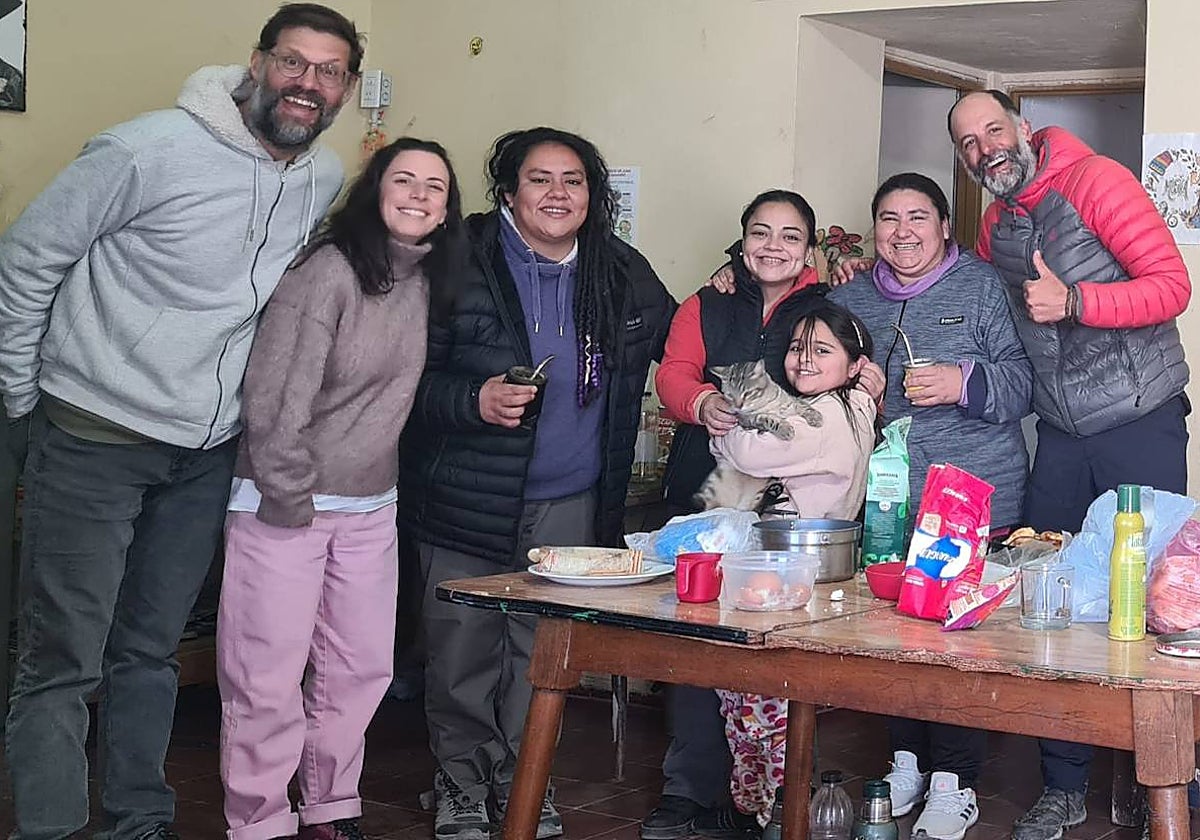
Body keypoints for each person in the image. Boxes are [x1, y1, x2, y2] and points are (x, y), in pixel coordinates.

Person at [0, 4, 361, 837]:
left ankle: (138, 820)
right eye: (293, 62)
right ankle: (49, 828)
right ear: (257, 62)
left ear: (344, 88)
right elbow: (24, 264)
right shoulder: (145, 147)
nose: (307, 82)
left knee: (149, 653)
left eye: (328, 70)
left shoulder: (320, 176)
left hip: (204, 454)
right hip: (93, 435)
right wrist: (25, 403)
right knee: (61, 661)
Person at [396, 127, 676, 840]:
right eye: (540, 179)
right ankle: (461, 788)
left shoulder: (620, 270)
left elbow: (689, 341)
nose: (557, 193)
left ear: (593, 194)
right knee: (460, 654)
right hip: (463, 494)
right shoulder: (454, 259)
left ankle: (526, 786)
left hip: (570, 503)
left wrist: (751, 282)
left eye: (573, 180)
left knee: (539, 661)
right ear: (509, 190)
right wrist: (473, 400)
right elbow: (398, 383)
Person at [217, 138, 464, 840]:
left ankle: (329, 804)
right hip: (283, 501)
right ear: (374, 192)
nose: (418, 195)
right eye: (404, 180)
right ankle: (258, 819)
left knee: (359, 668)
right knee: (265, 674)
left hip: (369, 507)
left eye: (434, 187)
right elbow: (272, 398)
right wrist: (290, 495)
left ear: (448, 211)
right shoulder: (327, 271)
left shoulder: (424, 280)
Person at [646, 190, 884, 840]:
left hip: (777, 525)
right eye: (760, 233)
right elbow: (674, 372)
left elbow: (857, 371)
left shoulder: (826, 306)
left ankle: (758, 802)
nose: (773, 246)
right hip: (709, 495)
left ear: (808, 248)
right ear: (741, 240)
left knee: (764, 670)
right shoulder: (708, 300)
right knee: (696, 657)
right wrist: (698, 404)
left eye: (789, 236)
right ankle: (687, 793)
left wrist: (871, 385)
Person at [829, 172, 1032, 840]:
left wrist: (962, 382)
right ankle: (909, 761)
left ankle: (955, 782)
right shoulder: (852, 296)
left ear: (945, 225)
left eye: (919, 217)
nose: (903, 232)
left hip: (973, 497)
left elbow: (1021, 383)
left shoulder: (979, 286)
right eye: (889, 218)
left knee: (954, 640)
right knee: (894, 636)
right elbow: (816, 380)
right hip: (889, 501)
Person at [708, 302, 876, 834]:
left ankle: (771, 809)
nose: (802, 360)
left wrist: (727, 437)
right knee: (774, 703)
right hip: (808, 582)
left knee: (761, 707)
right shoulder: (855, 404)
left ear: (853, 364)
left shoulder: (827, 415)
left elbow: (752, 454)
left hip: (787, 586)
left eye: (822, 350)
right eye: (797, 347)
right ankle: (769, 805)